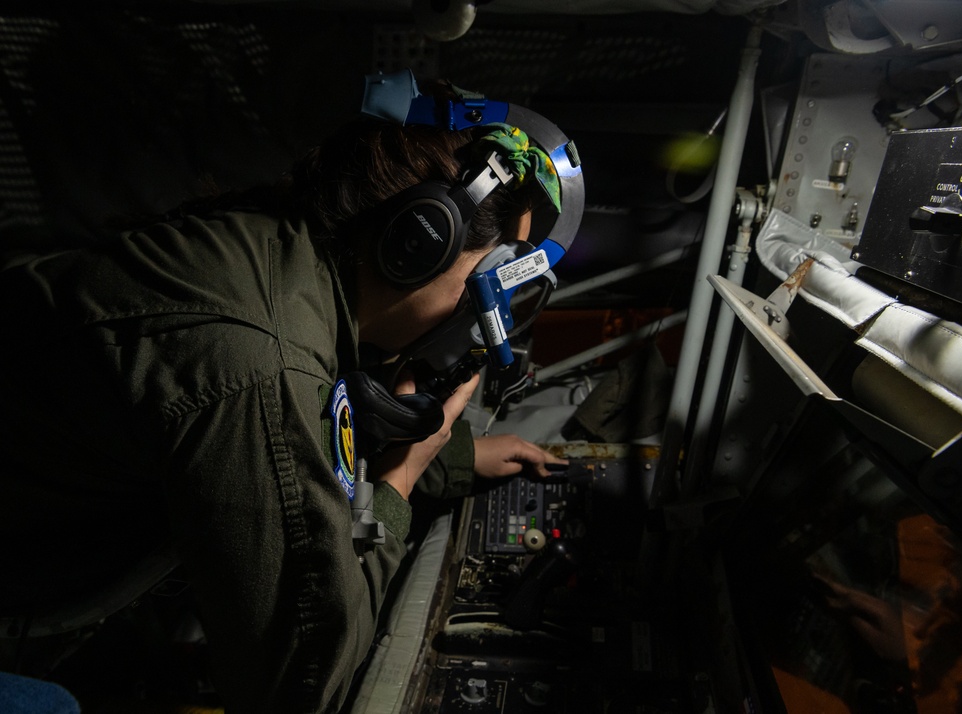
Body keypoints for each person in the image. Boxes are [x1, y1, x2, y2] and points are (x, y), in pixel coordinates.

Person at [0, 75, 569, 713]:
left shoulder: (287, 250)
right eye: (484, 279)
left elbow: (327, 421)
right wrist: (403, 478)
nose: (477, 314)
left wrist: (452, 455)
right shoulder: (258, 362)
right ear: (420, 243)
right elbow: (303, 682)